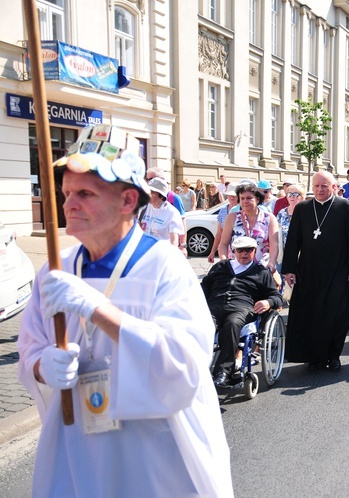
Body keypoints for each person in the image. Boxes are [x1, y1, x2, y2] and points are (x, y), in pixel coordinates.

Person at [17, 125, 232, 496]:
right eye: (67, 192)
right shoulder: (55, 269)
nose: (68, 204)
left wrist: (97, 309)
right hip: (75, 451)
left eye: (85, 193)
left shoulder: (166, 266)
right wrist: (41, 366)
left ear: (128, 201)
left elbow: (183, 365)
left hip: (153, 458)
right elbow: (30, 347)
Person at [282, 171, 349, 371]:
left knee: (336, 313)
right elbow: (294, 240)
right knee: (310, 313)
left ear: (334, 187)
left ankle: (333, 355)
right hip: (308, 270)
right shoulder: (302, 208)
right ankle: (314, 355)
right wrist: (290, 268)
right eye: (316, 186)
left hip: (338, 269)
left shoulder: (345, 207)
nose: (320, 189)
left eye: (324, 186)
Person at [202, 237, 283, 387]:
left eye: (248, 250)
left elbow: (276, 297)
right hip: (214, 305)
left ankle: (223, 372)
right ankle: (195, 368)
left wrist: (268, 302)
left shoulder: (261, 273)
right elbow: (204, 287)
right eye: (240, 250)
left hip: (242, 307)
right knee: (202, 325)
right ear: (233, 251)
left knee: (232, 324)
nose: (244, 254)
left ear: (255, 251)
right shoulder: (220, 267)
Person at [218, 183, 279, 271]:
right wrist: (224, 262)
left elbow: (274, 244)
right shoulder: (232, 217)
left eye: (249, 198)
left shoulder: (269, 218)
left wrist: (272, 262)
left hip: (261, 268)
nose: (245, 201)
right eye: (242, 198)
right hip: (236, 268)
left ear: (258, 199)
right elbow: (223, 244)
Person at [141, 177, 184, 248]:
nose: (148, 194)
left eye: (152, 192)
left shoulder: (172, 213)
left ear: (161, 195)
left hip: (160, 253)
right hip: (143, 252)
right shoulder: (143, 207)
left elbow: (174, 241)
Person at [208, 185, 238, 263]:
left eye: (234, 196)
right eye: (230, 195)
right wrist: (212, 252)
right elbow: (219, 233)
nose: (232, 198)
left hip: (238, 248)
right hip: (225, 248)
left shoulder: (242, 210)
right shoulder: (223, 210)